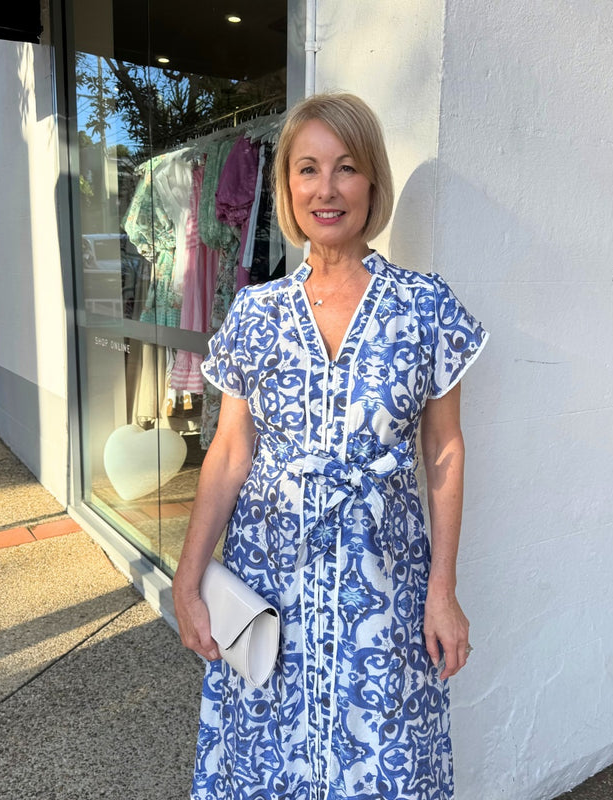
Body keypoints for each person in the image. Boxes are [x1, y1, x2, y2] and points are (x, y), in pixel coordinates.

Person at [172, 91, 488, 800]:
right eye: (307, 169)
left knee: (385, 753)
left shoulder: (425, 306)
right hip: (270, 574)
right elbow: (228, 453)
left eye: (346, 168)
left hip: (385, 580)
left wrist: (443, 590)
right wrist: (188, 579)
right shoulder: (256, 311)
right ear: (286, 186)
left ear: (371, 181)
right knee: (269, 750)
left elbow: (443, 453)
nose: (326, 188)